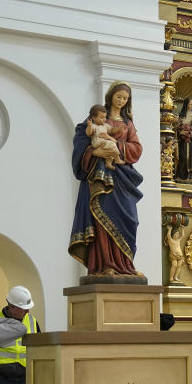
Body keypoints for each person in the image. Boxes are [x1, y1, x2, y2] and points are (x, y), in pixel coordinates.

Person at [69, 82, 144, 277]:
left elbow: (136, 148)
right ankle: (105, 265)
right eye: (118, 97)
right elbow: (81, 137)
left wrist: (116, 145)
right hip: (99, 177)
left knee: (130, 220)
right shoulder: (97, 118)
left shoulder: (128, 124)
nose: (121, 101)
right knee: (102, 219)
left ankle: (126, 265)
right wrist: (94, 150)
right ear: (111, 96)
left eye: (125, 98)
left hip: (122, 179)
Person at [85, 104, 123, 169]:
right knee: (112, 144)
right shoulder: (94, 126)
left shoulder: (105, 125)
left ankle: (108, 163)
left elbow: (111, 130)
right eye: (101, 118)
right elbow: (88, 133)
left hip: (104, 142)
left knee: (110, 150)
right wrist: (89, 126)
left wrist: (118, 129)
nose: (104, 119)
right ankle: (117, 159)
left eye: (105, 117)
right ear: (94, 118)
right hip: (97, 142)